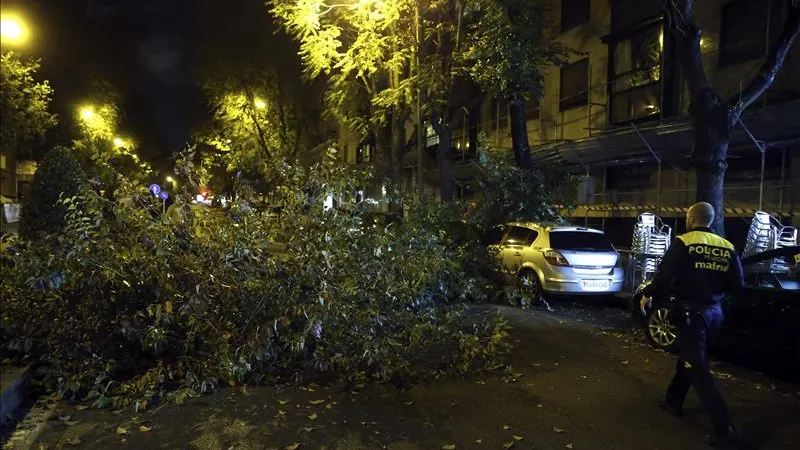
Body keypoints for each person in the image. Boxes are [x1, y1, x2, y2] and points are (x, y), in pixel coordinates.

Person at [640, 202, 745, 449]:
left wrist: (648, 292)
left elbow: (665, 275)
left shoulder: (685, 241)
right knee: (690, 358)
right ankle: (672, 401)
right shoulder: (727, 246)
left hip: (691, 313)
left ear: (691, 217)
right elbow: (738, 285)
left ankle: (726, 430)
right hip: (714, 314)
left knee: (697, 368)